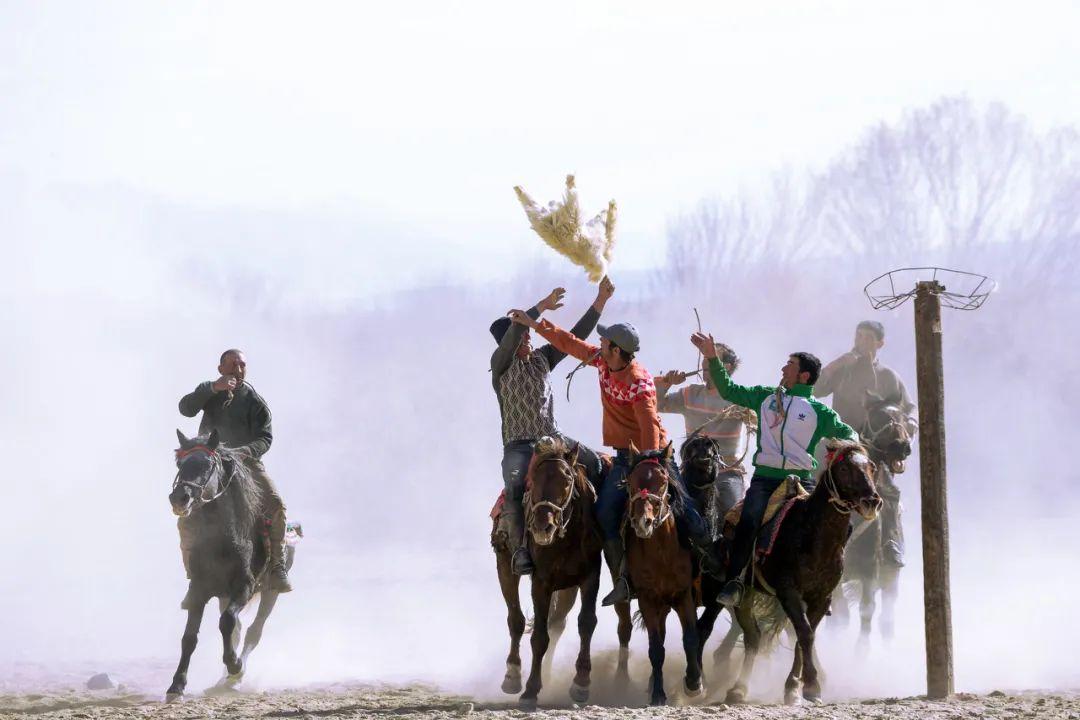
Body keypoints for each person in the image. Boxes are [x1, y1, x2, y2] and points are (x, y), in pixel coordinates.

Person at [513, 313, 721, 606]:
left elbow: (649, 424)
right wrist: (536, 324)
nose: (599, 343)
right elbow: (570, 343)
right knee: (604, 513)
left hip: (653, 456)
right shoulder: (602, 359)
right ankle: (624, 578)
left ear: (616, 350)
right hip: (626, 456)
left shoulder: (639, 384)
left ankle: (708, 556)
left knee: (684, 507)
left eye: (604, 341)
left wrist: (649, 465)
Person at [690, 332, 857, 608]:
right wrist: (711, 358)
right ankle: (735, 582)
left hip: (803, 483)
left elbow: (849, 434)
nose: (782, 369)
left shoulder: (819, 412)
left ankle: (827, 586)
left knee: (841, 526)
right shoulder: (765, 398)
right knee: (748, 520)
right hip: (765, 481)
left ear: (804, 376)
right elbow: (729, 390)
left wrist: (838, 449)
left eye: (789, 365)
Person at [491, 277, 614, 575]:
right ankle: (521, 550)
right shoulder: (501, 366)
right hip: (519, 445)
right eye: (522, 336)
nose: (528, 339)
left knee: (599, 465)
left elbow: (573, 338)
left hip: (553, 438)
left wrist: (600, 302)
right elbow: (512, 338)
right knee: (516, 486)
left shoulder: (542, 359)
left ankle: (607, 536)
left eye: (528, 335)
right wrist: (539, 308)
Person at [177, 349, 291, 608]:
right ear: (221, 369)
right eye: (232, 365)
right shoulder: (210, 391)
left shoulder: (255, 402)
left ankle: (277, 565)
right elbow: (185, 408)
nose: (238, 370)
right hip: (209, 463)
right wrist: (212, 389)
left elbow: (265, 438)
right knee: (184, 509)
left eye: (242, 365)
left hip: (247, 464)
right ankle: (193, 573)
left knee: (276, 505)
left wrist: (244, 452)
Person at [815, 320, 917, 568]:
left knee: (889, 491)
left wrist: (907, 432)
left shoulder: (889, 377)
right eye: (858, 336)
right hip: (840, 443)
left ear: (880, 343)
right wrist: (837, 364)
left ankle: (892, 544)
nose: (861, 342)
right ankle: (809, 542)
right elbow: (816, 390)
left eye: (868, 338)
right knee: (812, 478)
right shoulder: (843, 370)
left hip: (875, 450)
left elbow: (909, 411)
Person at [656, 342, 754, 518]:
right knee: (668, 511)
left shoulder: (738, 398)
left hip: (727, 473)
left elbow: (762, 422)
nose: (705, 363)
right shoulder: (690, 393)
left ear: (727, 366)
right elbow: (657, 404)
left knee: (732, 514)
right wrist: (666, 383)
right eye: (705, 357)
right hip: (692, 471)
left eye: (712, 357)